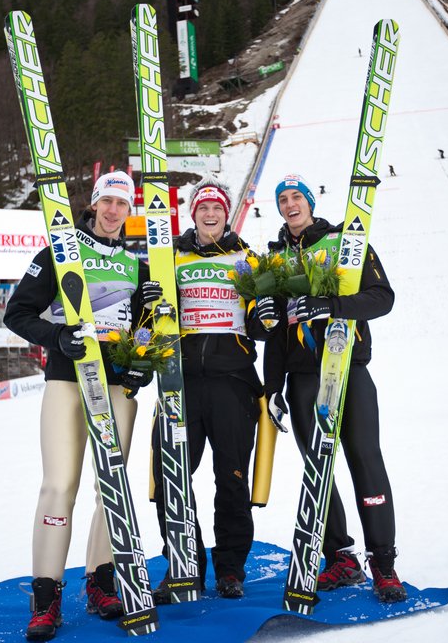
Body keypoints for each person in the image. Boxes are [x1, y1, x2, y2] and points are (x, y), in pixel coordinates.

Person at [4, 171, 162, 640]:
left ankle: (101, 581)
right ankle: (46, 597)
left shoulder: (137, 265)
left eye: (122, 203)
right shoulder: (62, 251)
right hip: (68, 379)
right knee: (59, 485)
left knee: (111, 488)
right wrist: (57, 336)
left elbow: (144, 331)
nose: (113, 210)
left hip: (116, 387)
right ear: (94, 204)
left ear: (130, 211)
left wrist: (143, 361)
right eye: (106, 201)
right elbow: (17, 313)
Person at [263, 173, 407, 603]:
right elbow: (275, 332)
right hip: (303, 378)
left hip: (347, 368)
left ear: (310, 202)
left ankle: (383, 563)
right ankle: (340, 557)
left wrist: (330, 305)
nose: (290, 205)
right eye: (283, 199)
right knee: (317, 471)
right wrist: (273, 387)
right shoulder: (274, 260)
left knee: (365, 460)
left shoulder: (346, 242)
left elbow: (382, 297)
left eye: (297, 197)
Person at [152, 176, 268, 602]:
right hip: (180, 383)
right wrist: (149, 300)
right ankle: (185, 565)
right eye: (203, 207)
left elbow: (261, 325)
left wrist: (266, 313)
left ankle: (230, 569)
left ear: (227, 212)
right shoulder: (170, 258)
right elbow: (150, 316)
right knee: (171, 475)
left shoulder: (247, 259)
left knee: (231, 478)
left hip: (232, 382)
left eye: (217, 207)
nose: (211, 213)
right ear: (193, 213)